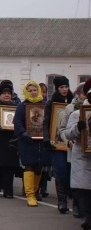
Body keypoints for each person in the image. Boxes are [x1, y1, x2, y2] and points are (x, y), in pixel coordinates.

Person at [13, 80, 52, 207]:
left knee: (39, 166)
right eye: (30, 90)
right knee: (29, 165)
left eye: (35, 90)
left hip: (41, 141)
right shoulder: (22, 106)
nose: (33, 92)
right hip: (27, 141)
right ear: (26, 92)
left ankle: (35, 191)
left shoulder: (45, 105)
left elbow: (50, 121)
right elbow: (17, 122)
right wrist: (23, 133)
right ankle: (29, 195)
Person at [42, 76, 74, 213]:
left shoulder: (73, 101)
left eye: (66, 87)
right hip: (57, 142)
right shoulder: (51, 102)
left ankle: (71, 197)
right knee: (60, 170)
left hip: (72, 142)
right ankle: (62, 201)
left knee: (70, 171)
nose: (64, 90)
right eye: (62, 87)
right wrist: (47, 138)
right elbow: (47, 121)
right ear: (57, 88)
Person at [65, 79, 91, 230]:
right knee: (84, 189)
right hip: (83, 156)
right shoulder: (77, 114)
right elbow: (68, 134)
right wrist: (78, 128)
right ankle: (86, 217)